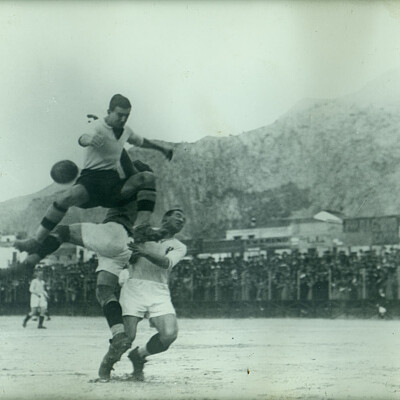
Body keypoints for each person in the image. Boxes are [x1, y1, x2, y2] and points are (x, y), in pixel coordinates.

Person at [21, 161, 162, 372]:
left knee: (62, 231)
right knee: (103, 290)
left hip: (114, 232)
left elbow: (126, 169)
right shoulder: (144, 199)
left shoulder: (132, 185)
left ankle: (30, 261)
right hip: (123, 246)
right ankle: (118, 333)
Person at [15, 93, 173, 254]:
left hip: (113, 184)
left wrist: (162, 149)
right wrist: (89, 140)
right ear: (109, 111)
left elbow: (141, 141)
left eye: (127, 116)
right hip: (91, 181)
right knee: (65, 198)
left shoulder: (126, 131)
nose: (123, 119)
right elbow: (82, 138)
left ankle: (142, 228)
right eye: (119, 115)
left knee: (148, 177)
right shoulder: (97, 126)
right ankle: (36, 241)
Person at [98, 208, 187, 381]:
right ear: (165, 218)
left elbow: (166, 263)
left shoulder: (179, 246)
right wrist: (130, 249)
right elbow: (126, 252)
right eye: (178, 216)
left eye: (184, 219)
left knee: (169, 334)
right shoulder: (143, 231)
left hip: (159, 290)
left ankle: (139, 355)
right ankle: (106, 366)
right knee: (126, 338)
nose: (181, 220)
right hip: (134, 287)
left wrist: (144, 252)